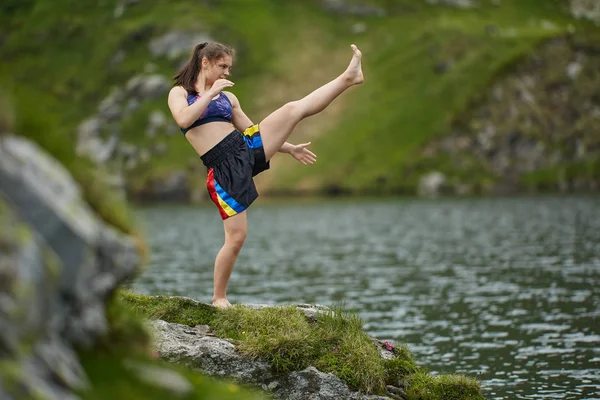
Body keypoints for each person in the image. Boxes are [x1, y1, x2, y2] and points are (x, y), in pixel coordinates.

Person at [167, 41, 363, 308]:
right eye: (222, 66)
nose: (227, 73)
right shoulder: (180, 93)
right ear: (205, 62)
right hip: (223, 169)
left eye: (229, 68)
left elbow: (249, 128)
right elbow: (183, 120)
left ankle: (348, 78)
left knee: (293, 110)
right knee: (236, 238)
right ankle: (219, 298)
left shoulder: (229, 98)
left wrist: (288, 147)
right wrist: (210, 93)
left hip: (244, 148)